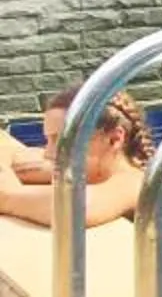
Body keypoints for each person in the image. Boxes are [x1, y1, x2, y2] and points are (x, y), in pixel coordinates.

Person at [0, 88, 154, 229]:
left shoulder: (137, 182)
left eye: (61, 141)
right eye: (48, 140)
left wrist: (8, 196)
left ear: (114, 139)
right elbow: (11, 152)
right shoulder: (90, 171)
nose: (48, 153)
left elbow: (76, 208)